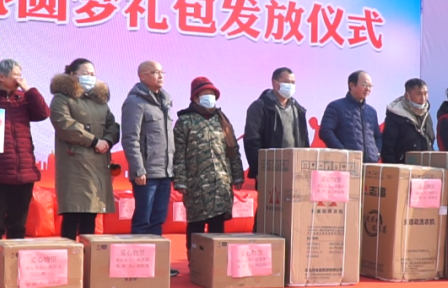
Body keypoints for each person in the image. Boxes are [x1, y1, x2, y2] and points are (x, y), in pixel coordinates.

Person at [0, 59, 50, 283]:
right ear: (1, 77)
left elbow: (43, 113)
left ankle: (15, 271)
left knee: (18, 226)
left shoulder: (23, 100)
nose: (20, 78)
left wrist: (28, 89)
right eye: (16, 74)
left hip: (24, 172)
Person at [173, 77, 244, 257]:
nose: (210, 97)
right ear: (195, 97)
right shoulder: (185, 121)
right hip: (196, 183)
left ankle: (215, 262)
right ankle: (196, 261)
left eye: (212, 94)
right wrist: (180, 181)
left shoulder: (222, 120)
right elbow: (178, 153)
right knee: (196, 225)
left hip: (221, 182)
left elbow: (233, 150)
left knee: (217, 225)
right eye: (205, 94)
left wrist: (237, 175)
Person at [50, 58, 120, 240]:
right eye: (86, 73)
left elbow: (113, 125)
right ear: (73, 74)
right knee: (73, 213)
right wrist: (94, 141)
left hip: (98, 164)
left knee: (91, 214)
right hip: (75, 165)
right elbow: (65, 125)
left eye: (93, 74)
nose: (90, 77)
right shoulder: (62, 99)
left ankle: (89, 254)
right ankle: (70, 254)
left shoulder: (99, 101)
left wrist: (107, 141)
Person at [121, 61, 175, 237]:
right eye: (155, 72)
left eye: (162, 72)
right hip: (146, 174)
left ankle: (156, 254)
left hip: (165, 172)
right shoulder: (135, 102)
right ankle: (139, 254)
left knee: (158, 219)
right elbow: (130, 138)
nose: (160, 76)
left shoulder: (164, 102)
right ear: (142, 76)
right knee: (143, 220)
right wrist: (138, 169)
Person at [243, 67, 309, 179]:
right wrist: (258, 169)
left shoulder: (298, 109)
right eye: (286, 82)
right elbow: (252, 140)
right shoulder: (260, 107)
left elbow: (304, 141)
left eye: (293, 83)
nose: (290, 86)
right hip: (270, 170)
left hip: (295, 171)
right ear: (275, 83)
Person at [319, 70, 381, 162]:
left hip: (370, 165)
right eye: (364, 84)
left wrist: (377, 153)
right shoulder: (336, 107)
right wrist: (343, 152)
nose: (368, 88)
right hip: (346, 164)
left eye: (370, 85)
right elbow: (326, 131)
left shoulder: (372, 111)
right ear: (352, 85)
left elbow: (378, 136)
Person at [381, 78, 435, 163]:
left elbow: (430, 141)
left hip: (425, 165)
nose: (423, 98)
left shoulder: (426, 115)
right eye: (419, 94)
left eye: (426, 93)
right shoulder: (396, 115)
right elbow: (388, 147)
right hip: (403, 166)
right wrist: (393, 168)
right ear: (407, 95)